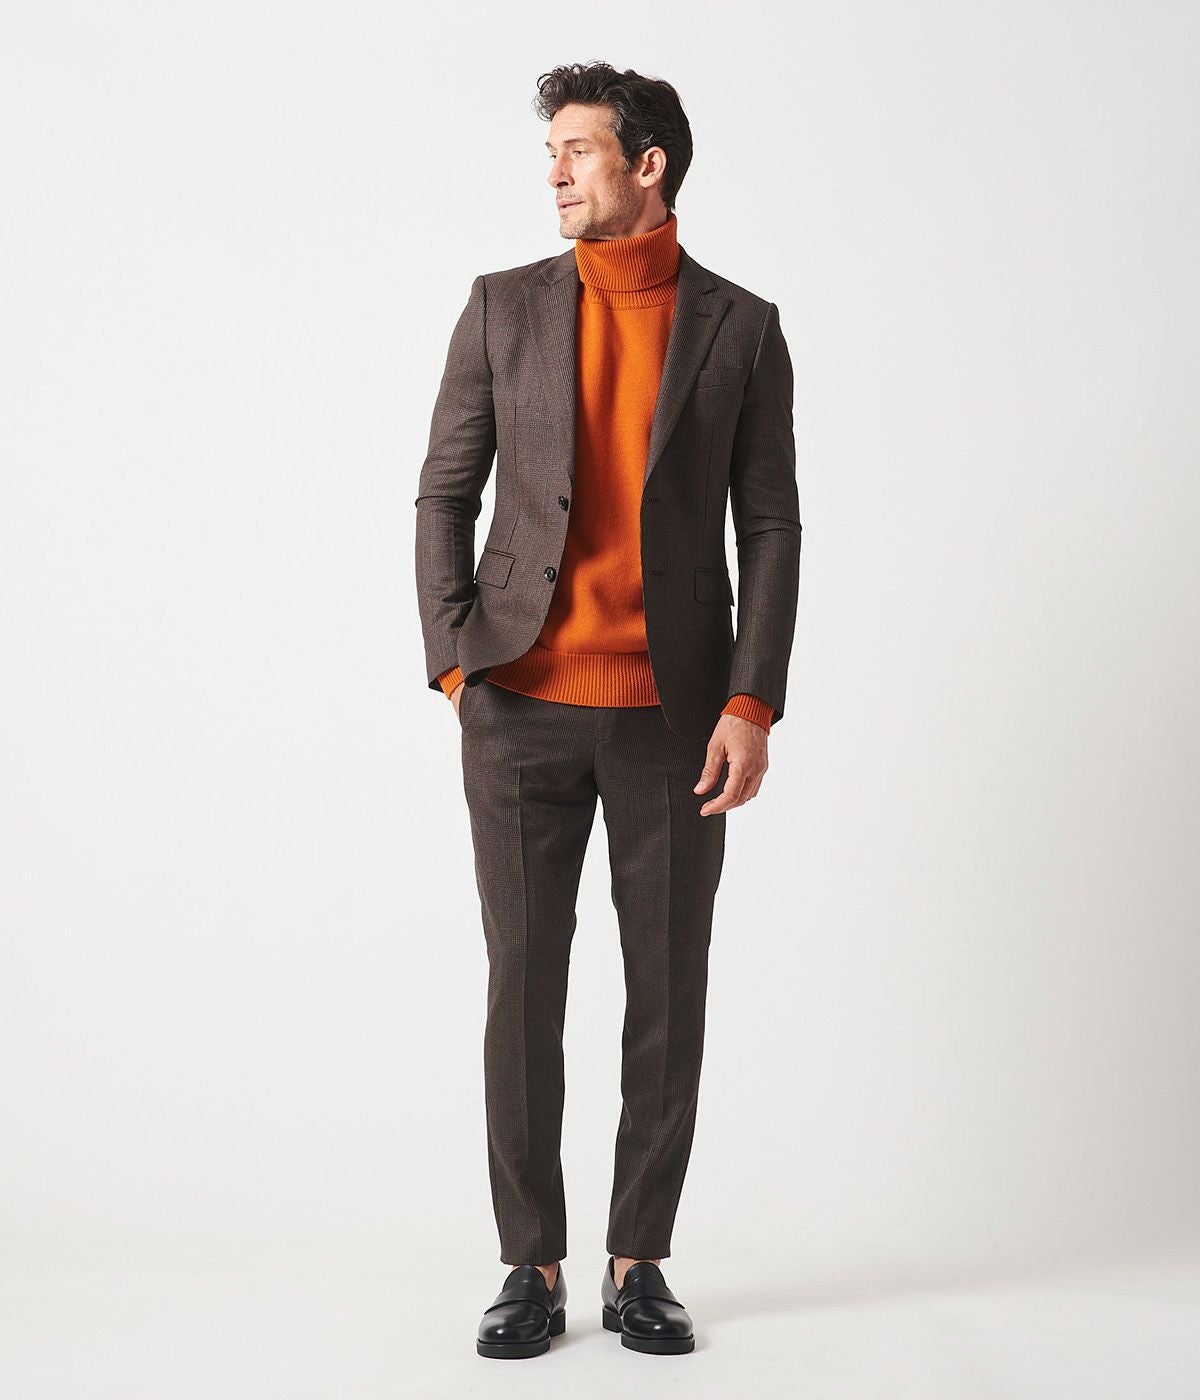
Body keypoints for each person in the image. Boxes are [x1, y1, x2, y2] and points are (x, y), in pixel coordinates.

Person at [414, 60, 801, 1359]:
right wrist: (459, 665)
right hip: (518, 704)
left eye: (576, 150)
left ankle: (641, 1259)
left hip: (675, 720)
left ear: (649, 165)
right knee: (523, 988)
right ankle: (529, 1262)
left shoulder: (742, 327)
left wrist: (752, 700)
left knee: (667, 991)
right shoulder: (502, 306)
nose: (555, 173)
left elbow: (771, 524)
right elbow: (444, 493)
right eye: (552, 153)